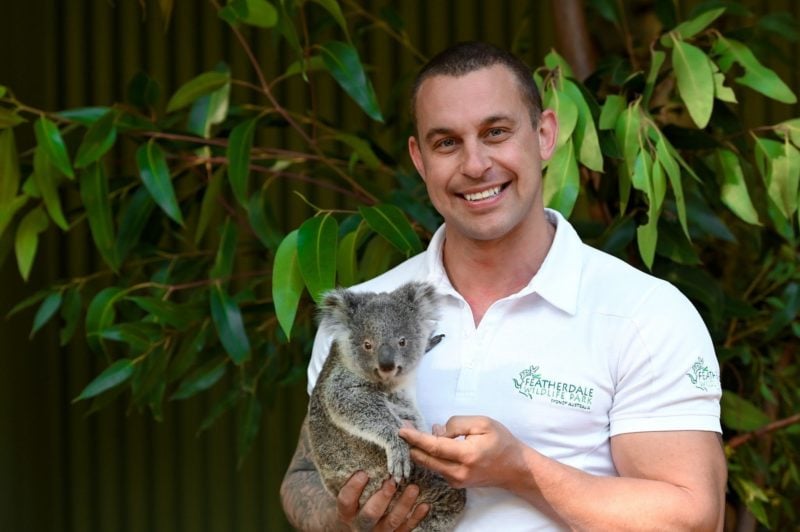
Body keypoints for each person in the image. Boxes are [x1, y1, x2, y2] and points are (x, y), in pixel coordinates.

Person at [281, 41, 727, 531]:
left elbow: (693, 519)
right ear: (419, 158)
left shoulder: (641, 313)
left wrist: (521, 471)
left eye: (496, 132)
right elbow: (304, 475)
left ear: (544, 135)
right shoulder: (364, 313)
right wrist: (346, 520)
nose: (475, 165)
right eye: (446, 142)